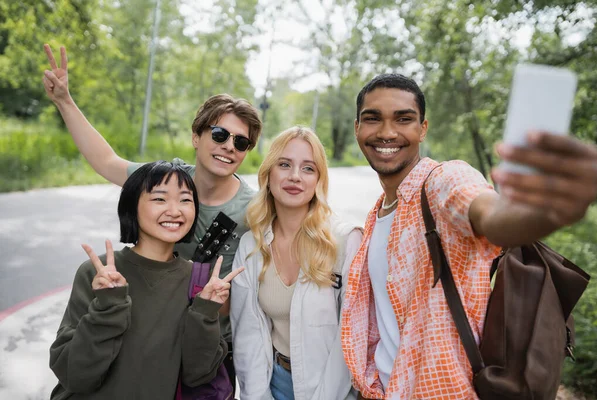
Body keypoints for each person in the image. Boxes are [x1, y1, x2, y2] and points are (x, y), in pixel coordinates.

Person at [340, 73, 597, 399]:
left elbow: (493, 216)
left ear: (423, 128)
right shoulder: (377, 212)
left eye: (403, 119)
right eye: (372, 118)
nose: (387, 132)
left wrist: (548, 211)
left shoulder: (443, 181)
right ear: (357, 129)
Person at [42, 44, 262, 389]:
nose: (229, 146)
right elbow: (107, 162)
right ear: (196, 136)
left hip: (201, 345)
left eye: (241, 142)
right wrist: (64, 101)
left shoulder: (257, 209)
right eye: (219, 134)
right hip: (141, 322)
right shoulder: (166, 177)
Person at [49, 160, 244, 399]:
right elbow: (75, 374)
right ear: (132, 206)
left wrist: (205, 312)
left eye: (185, 200)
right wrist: (109, 307)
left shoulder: (197, 282)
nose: (174, 210)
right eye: (160, 199)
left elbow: (198, 374)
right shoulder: (97, 273)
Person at [230, 126, 362, 400]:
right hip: (275, 382)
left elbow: (350, 340)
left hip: (331, 389)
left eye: (308, 168)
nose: (294, 177)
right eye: (284, 164)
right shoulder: (251, 246)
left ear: (319, 179)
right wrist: (258, 396)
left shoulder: (344, 241)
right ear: (269, 173)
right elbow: (248, 334)